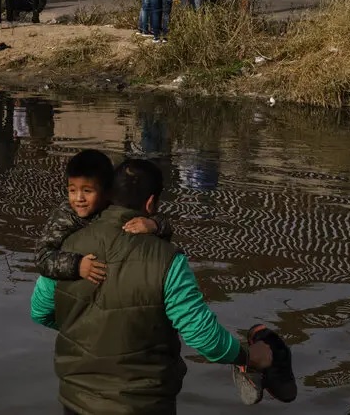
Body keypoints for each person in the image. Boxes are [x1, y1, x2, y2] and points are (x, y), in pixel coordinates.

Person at [30, 159, 275, 415]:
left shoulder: (65, 253)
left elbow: (39, 311)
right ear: (150, 204)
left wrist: (89, 330)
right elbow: (203, 336)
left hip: (75, 400)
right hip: (143, 404)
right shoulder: (168, 260)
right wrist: (248, 356)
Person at [35, 150, 172, 282]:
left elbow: (166, 231)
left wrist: (154, 224)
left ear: (107, 192)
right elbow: (42, 257)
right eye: (72, 190)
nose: (79, 198)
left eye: (87, 191)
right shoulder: (64, 216)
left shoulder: (115, 210)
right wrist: (76, 265)